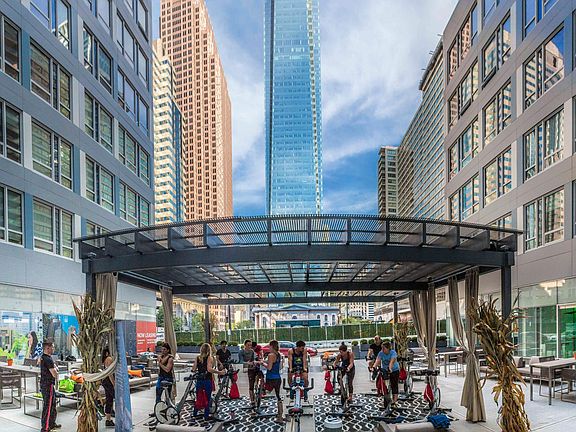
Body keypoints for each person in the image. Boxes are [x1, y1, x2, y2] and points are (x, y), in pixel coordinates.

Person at [193, 343, 225, 420]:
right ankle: (206, 415)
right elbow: (209, 369)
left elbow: (193, 369)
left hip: (199, 380)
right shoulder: (209, 358)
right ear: (209, 350)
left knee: (199, 397)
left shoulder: (197, 357)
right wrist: (220, 372)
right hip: (207, 380)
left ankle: (195, 413)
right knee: (207, 398)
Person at [40, 341, 60, 432]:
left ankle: (51, 424)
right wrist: (56, 372)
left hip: (47, 384)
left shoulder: (45, 357)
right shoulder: (47, 359)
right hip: (48, 385)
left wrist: (55, 369)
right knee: (48, 406)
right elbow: (54, 373)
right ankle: (45, 428)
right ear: (47, 348)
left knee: (52, 405)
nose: (53, 349)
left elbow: (54, 368)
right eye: (52, 347)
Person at [373, 341, 400, 405]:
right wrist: (374, 367)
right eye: (382, 348)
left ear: (388, 348)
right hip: (385, 370)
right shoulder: (381, 353)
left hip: (394, 369)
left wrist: (390, 368)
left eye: (383, 348)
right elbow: (377, 360)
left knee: (394, 385)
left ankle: (395, 400)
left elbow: (392, 362)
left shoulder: (393, 352)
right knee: (383, 382)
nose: (382, 350)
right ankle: (385, 392)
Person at [263, 340, 284, 424]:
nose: (268, 347)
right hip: (278, 378)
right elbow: (275, 364)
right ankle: (280, 416)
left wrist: (262, 363)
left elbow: (269, 368)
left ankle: (256, 405)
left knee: (265, 392)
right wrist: (264, 361)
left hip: (270, 378)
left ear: (271, 346)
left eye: (269, 346)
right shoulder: (278, 354)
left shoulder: (270, 355)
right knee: (278, 396)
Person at [239, 339, 258, 407]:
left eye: (250, 345)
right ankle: (252, 400)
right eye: (248, 345)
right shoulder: (241, 352)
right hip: (248, 369)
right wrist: (247, 363)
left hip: (253, 367)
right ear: (245, 345)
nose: (250, 346)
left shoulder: (252, 351)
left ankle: (258, 391)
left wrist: (256, 361)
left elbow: (254, 359)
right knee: (251, 385)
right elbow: (240, 361)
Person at [101, 347, 115, 428]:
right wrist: (114, 383)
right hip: (109, 382)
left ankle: (108, 420)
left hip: (105, 381)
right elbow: (110, 373)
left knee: (109, 400)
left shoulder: (104, 360)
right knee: (115, 399)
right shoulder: (109, 359)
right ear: (107, 353)